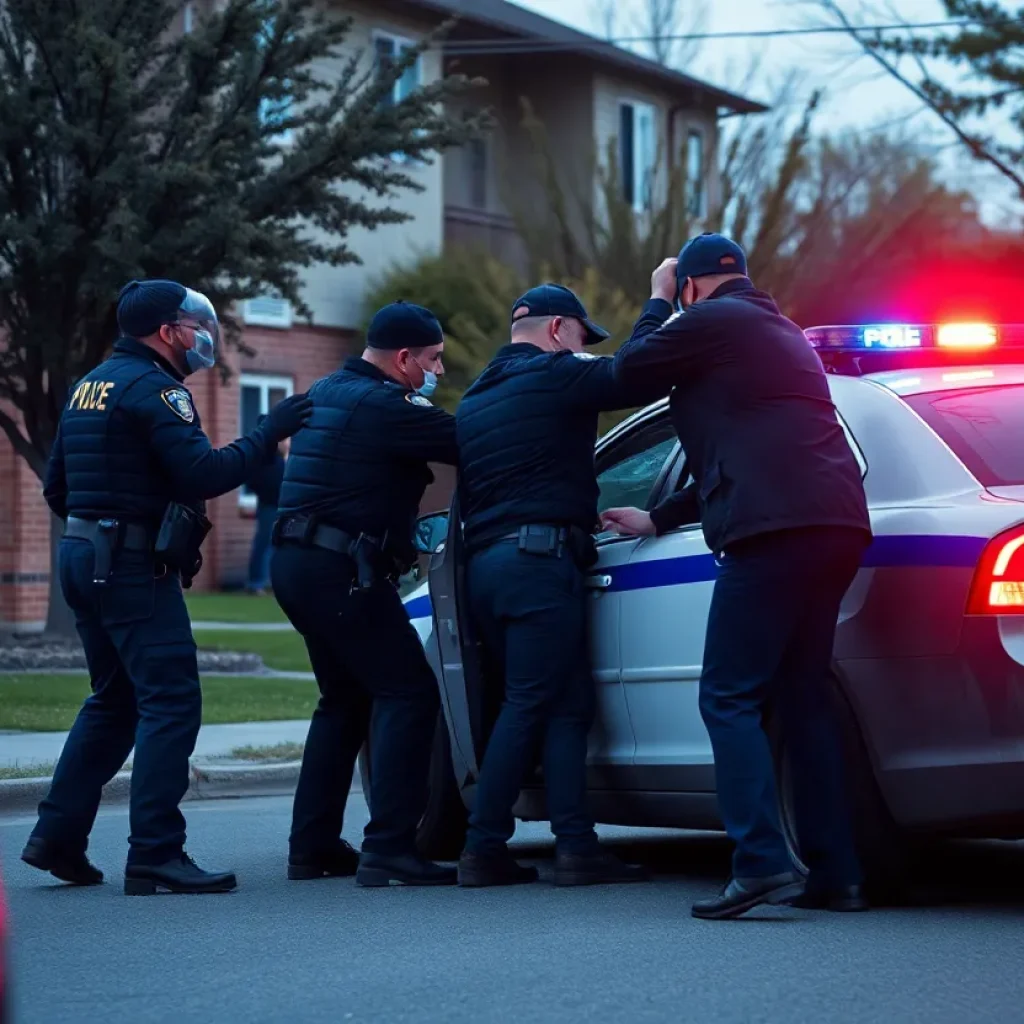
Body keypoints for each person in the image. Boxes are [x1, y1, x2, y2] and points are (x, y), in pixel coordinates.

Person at [603, 234, 873, 919]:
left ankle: (759, 863)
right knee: (802, 699)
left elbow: (629, 371)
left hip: (773, 534)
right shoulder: (778, 330)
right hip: (834, 525)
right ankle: (835, 874)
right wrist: (662, 517)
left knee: (728, 696)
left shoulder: (710, 320)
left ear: (694, 285)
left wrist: (657, 297)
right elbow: (753, 453)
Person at [22, 279, 312, 896]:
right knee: (170, 702)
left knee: (113, 701)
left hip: (83, 554)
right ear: (167, 332)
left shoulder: (87, 385)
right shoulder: (157, 390)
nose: (202, 334)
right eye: (193, 324)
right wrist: (268, 432)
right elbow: (204, 473)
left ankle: (56, 837)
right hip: (128, 567)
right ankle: (156, 853)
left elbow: (56, 488)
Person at [455, 284, 659, 888]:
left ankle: (576, 846)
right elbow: (635, 373)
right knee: (528, 703)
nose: (580, 349)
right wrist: (656, 301)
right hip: (540, 564)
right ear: (555, 332)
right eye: (578, 336)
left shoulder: (474, 398)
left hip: (490, 568)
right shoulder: (557, 375)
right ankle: (483, 846)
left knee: (565, 706)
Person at [271, 302, 459, 887]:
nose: (438, 372)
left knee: (344, 699)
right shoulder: (389, 406)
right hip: (340, 570)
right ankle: (390, 848)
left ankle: (313, 846)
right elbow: (471, 439)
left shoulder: (328, 389)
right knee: (409, 691)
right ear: (404, 358)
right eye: (433, 360)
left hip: (297, 564)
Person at [245, 442, 286, 595]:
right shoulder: (268, 461)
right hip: (269, 506)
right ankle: (256, 582)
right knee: (264, 544)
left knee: (274, 546)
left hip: (277, 507)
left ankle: (267, 580)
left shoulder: (278, 460)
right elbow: (255, 482)